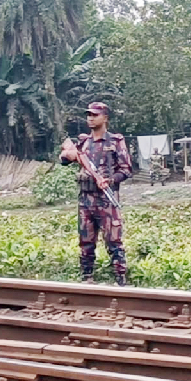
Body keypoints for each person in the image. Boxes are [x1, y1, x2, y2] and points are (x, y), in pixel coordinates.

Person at [60, 102, 133, 285]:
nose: (91, 118)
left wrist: (110, 180)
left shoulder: (115, 141)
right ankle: (87, 278)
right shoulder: (83, 142)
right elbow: (64, 159)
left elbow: (126, 170)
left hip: (106, 200)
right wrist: (67, 156)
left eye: (95, 115)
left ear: (105, 118)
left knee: (114, 241)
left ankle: (120, 279)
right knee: (85, 241)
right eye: (88, 115)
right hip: (85, 200)